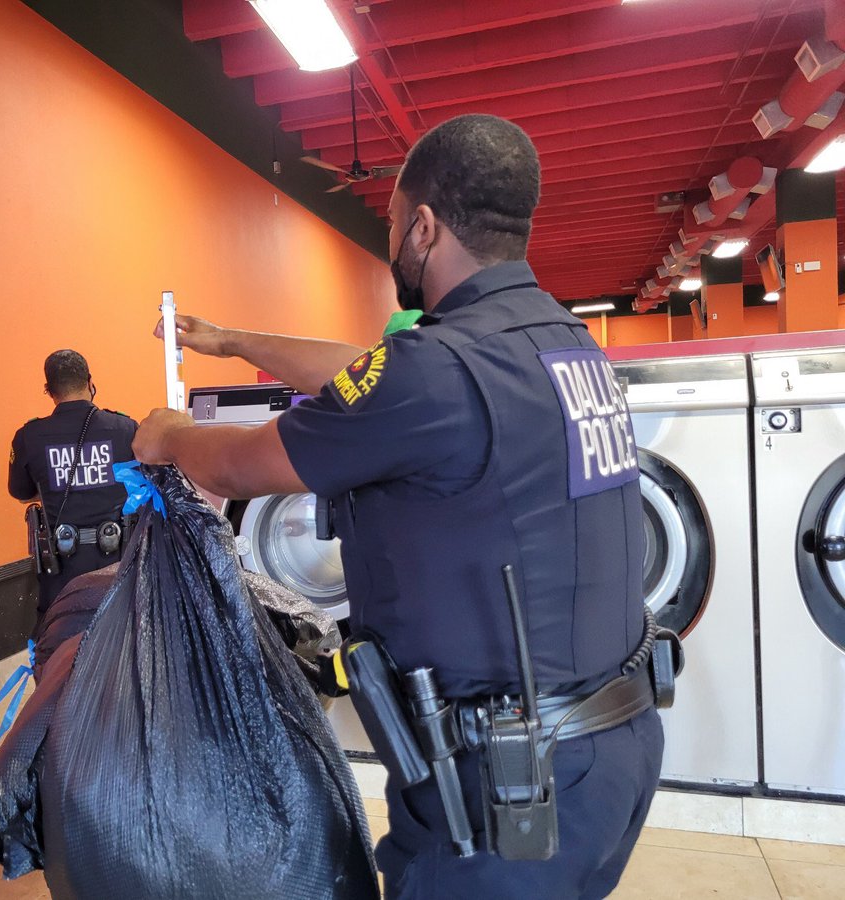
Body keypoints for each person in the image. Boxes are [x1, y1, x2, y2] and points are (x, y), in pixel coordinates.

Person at [132, 114, 663, 899]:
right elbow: (365, 371)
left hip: (503, 793)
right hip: (610, 752)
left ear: (421, 228)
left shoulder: (435, 373)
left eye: (389, 224)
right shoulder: (561, 340)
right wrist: (236, 339)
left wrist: (174, 433)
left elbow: (245, 464)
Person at [8, 350, 137, 643]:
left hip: (61, 571)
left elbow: (21, 493)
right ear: (90, 382)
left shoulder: (29, 436)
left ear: (49, 391)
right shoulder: (124, 428)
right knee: (121, 643)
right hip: (118, 567)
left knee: (60, 649)